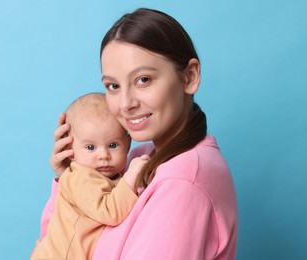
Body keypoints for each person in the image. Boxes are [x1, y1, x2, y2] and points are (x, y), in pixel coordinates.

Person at [39, 7, 238, 260]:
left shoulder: (182, 182)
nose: (125, 103)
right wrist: (72, 179)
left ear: (189, 77)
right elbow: (62, 245)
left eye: (143, 80)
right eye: (113, 86)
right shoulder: (140, 158)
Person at [31, 93, 149, 260]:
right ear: (69, 148)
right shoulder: (81, 177)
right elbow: (110, 211)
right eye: (91, 147)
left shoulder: (109, 176)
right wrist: (132, 176)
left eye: (113, 145)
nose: (103, 155)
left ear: (128, 144)